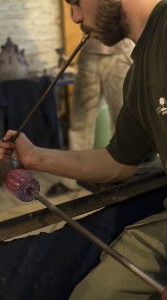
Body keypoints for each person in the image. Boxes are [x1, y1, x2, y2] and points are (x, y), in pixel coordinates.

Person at [0, 0, 167, 299]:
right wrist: (35, 157)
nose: (76, 16)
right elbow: (117, 162)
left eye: (77, 2)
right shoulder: (138, 75)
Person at [47, 37, 134, 195]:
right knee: (80, 121)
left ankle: (126, 175)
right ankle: (72, 180)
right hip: (89, 55)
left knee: (123, 121)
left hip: (120, 54)